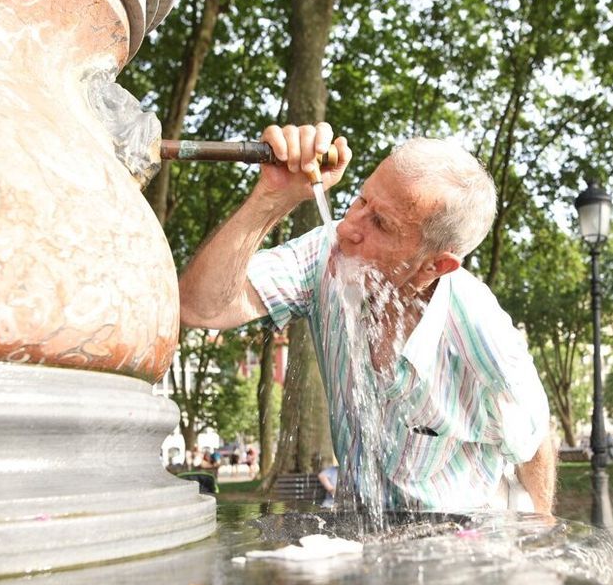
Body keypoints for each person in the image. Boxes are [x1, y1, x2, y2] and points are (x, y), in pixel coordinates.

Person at [178, 123, 553, 514]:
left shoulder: (481, 336)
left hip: (462, 538)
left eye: (382, 224)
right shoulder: (326, 255)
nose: (347, 228)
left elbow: (535, 439)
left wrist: (544, 532)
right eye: (361, 201)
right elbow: (201, 307)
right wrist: (272, 198)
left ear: (434, 265)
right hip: (362, 530)